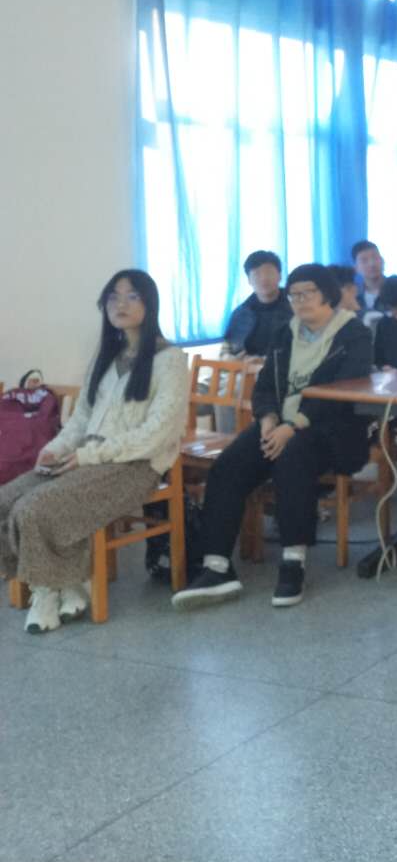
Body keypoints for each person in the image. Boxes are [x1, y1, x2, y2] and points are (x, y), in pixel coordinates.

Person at [172, 264, 373, 610]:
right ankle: (216, 566)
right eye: (294, 295)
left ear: (327, 294)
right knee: (228, 466)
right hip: (279, 423)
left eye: (307, 293)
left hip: (331, 430)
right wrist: (266, 418)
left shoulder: (353, 334)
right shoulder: (284, 333)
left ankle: (293, 561)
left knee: (291, 460)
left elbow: (343, 393)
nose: (299, 301)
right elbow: (264, 386)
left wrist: (292, 426)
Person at [0, 270, 188, 633]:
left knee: (35, 507)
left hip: (136, 465)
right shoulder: (106, 355)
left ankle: (46, 592)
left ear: (150, 303)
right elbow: (82, 417)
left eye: (131, 296)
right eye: (113, 296)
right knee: (6, 499)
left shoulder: (170, 359)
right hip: (87, 455)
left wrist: (90, 456)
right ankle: (68, 584)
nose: (120, 304)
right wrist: (55, 448)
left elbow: (157, 433)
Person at [221, 250, 292, 360]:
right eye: (257, 274)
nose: (264, 278)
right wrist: (231, 359)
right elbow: (226, 350)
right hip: (245, 368)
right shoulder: (241, 313)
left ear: (280, 276)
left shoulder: (295, 307)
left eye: (269, 272)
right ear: (249, 280)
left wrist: (263, 361)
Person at [351, 240, 386, 313]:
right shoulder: (353, 296)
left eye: (375, 258)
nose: (372, 264)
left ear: (383, 261)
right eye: (364, 260)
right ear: (356, 268)